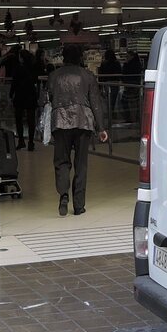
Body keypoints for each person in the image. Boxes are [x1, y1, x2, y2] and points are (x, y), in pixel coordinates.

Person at [47, 43, 109, 216]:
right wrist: (101, 127)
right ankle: (79, 205)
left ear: (64, 57)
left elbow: (48, 98)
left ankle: (64, 195)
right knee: (81, 164)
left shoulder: (54, 76)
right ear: (80, 57)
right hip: (84, 122)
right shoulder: (88, 76)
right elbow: (95, 103)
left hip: (60, 122)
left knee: (61, 161)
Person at [11, 42, 41, 150]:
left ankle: (21, 140)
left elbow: (14, 83)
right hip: (31, 95)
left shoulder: (18, 68)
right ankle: (31, 142)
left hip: (20, 95)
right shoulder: (33, 68)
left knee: (19, 119)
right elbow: (36, 80)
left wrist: (11, 94)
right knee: (31, 119)